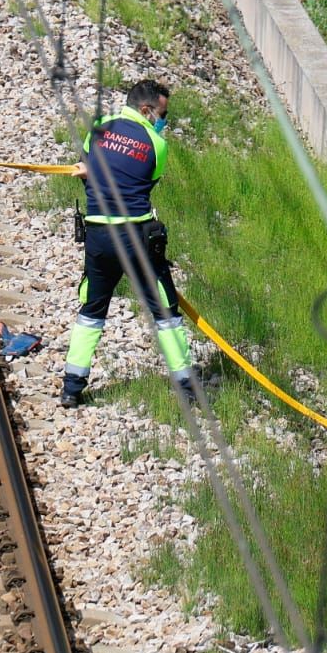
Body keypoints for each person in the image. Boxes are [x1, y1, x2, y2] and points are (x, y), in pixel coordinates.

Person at [60, 78, 196, 408]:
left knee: (92, 309)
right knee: (165, 311)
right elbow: (145, 184)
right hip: (136, 238)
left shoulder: (100, 127)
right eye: (162, 113)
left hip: (98, 236)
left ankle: (72, 387)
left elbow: (92, 171)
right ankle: (187, 388)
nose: (164, 120)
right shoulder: (156, 145)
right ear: (146, 109)